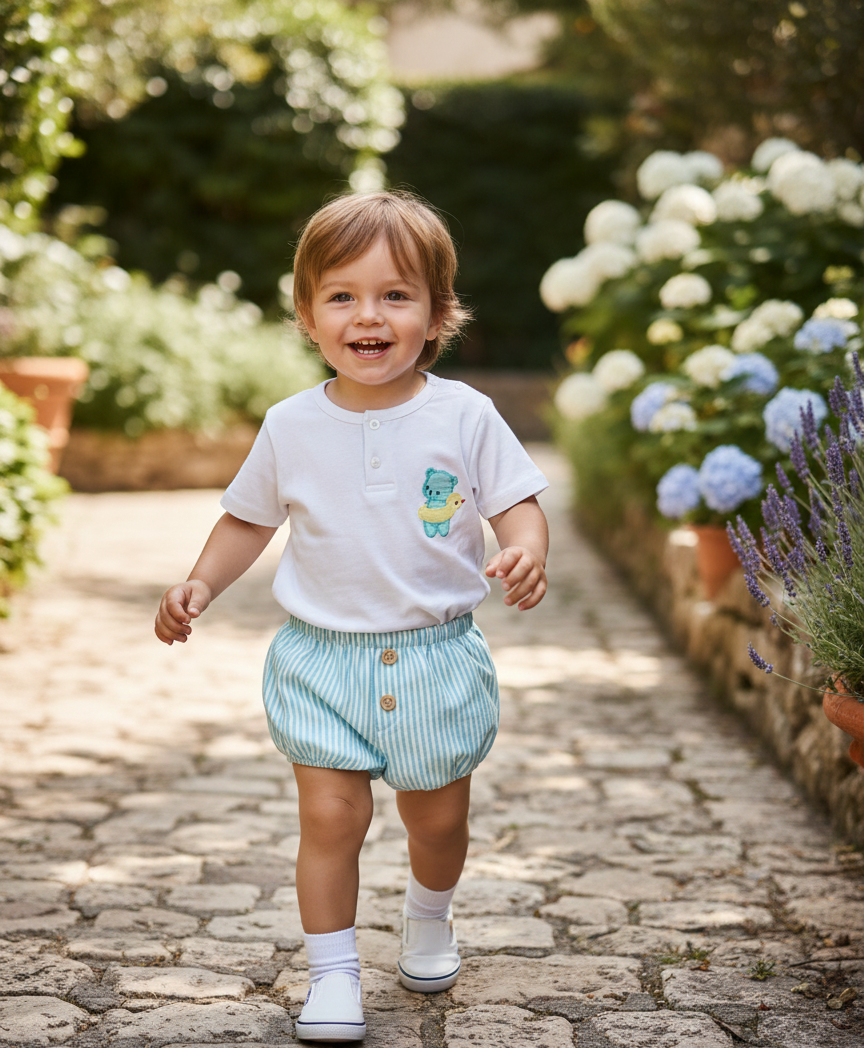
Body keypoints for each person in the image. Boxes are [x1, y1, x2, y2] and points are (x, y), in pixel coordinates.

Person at [155, 191, 549, 1042]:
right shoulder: (290, 425)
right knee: (330, 819)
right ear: (308, 315)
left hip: (436, 657)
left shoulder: (464, 414)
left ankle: (429, 918)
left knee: (437, 820)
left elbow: (517, 501)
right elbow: (248, 520)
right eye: (342, 296)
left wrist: (526, 548)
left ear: (437, 314)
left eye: (395, 295)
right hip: (321, 662)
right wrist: (199, 584)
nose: (368, 315)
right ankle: (333, 976)